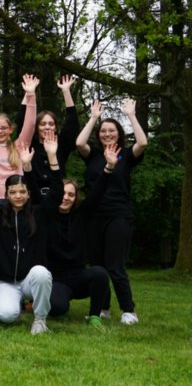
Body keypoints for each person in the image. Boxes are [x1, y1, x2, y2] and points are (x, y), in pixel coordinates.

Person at [0, 129, 61, 334]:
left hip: (29, 280)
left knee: (42, 274)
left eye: (22, 191)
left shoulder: (39, 214)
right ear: (6, 193)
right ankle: (9, 305)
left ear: (28, 193)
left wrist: (52, 156)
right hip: (6, 281)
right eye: (13, 192)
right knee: (6, 315)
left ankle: (40, 319)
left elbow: (57, 193)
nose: (18, 195)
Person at [75, 99, 148, 325]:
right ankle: (103, 308)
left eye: (112, 131)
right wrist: (94, 117)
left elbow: (143, 143)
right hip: (94, 217)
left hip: (119, 216)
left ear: (118, 134)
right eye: (104, 131)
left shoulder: (126, 155)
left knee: (115, 265)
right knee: (98, 266)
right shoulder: (94, 156)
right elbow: (79, 142)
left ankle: (128, 310)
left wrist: (131, 115)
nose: (107, 134)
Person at [47, 146, 117, 326]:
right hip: (57, 280)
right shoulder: (45, 216)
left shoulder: (82, 215)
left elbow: (97, 193)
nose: (66, 197)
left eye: (71, 194)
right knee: (57, 309)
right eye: (63, 193)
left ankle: (94, 316)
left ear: (75, 198)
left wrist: (108, 168)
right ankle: (60, 300)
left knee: (100, 273)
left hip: (79, 278)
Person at [0, 74, 39, 250]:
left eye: (4, 127)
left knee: (18, 244)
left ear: (10, 129)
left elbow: (31, 123)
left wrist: (31, 94)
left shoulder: (19, 146)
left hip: (17, 202)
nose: (0, 131)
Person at [17, 75, 79, 198]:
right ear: (36, 127)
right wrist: (29, 93)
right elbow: (22, 121)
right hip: (32, 196)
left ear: (55, 127)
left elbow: (72, 124)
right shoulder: (29, 143)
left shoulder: (61, 144)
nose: (47, 127)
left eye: (51, 124)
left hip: (57, 196)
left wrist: (66, 91)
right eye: (42, 124)